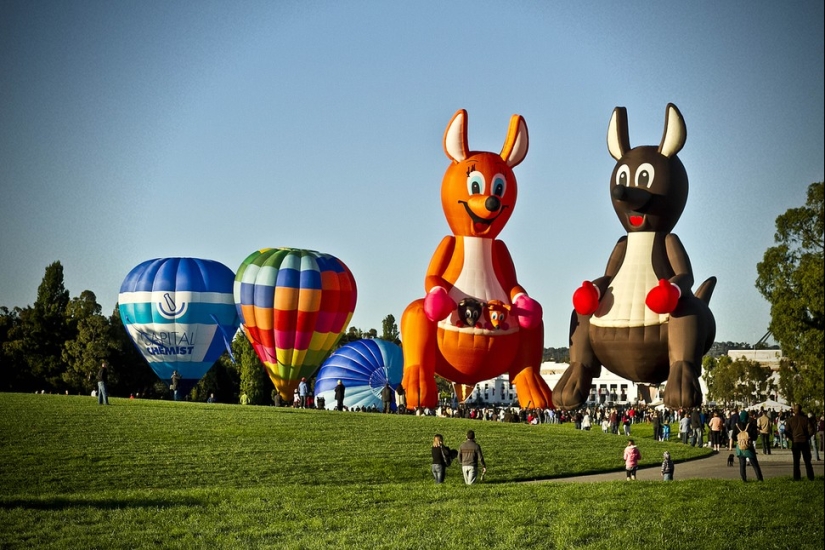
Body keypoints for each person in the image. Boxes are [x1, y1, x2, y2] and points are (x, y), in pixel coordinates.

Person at [785, 404, 815, 481]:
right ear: (801, 410)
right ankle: (810, 477)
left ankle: (796, 477)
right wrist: (807, 437)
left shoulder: (790, 420)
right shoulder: (806, 419)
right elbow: (811, 430)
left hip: (795, 442)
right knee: (807, 461)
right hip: (804, 441)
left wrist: (792, 438)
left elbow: (786, 431)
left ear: (794, 411)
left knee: (796, 461)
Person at [734, 410, 763, 482]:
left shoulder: (737, 426)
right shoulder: (751, 425)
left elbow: (733, 437)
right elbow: (755, 437)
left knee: (742, 464)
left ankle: (744, 479)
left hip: (740, 447)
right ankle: (759, 479)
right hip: (748, 446)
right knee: (754, 463)